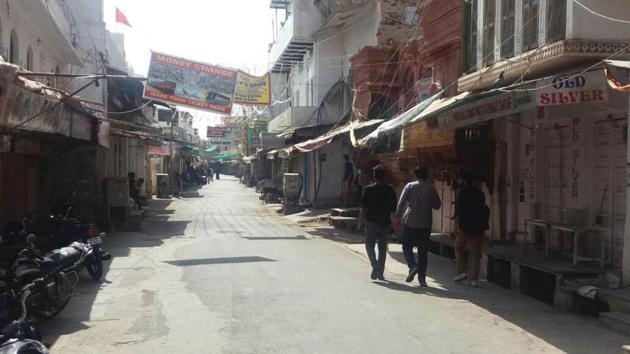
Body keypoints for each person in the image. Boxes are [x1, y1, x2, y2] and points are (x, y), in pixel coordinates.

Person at [395, 166, 441, 287]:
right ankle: (422, 279)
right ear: (427, 175)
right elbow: (437, 205)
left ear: (415, 174)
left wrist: (397, 217)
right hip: (425, 223)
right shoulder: (431, 188)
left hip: (411, 221)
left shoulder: (409, 186)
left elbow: (401, 203)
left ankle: (412, 265)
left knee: (406, 246)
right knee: (423, 251)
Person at [358, 165, 397, 281]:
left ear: (374, 176)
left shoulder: (368, 189)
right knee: (382, 248)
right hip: (384, 222)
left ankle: (374, 265)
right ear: (384, 176)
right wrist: (394, 223)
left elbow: (363, 207)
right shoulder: (390, 189)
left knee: (369, 246)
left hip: (371, 222)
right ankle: (380, 272)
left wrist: (360, 221)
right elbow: (393, 209)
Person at [453, 170, 489, 288]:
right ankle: (474, 279)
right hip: (478, 226)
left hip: (464, 225)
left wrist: (456, 226)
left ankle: (461, 271)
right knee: (475, 252)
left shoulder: (462, 193)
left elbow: (458, 211)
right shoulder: (480, 194)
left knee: (459, 247)